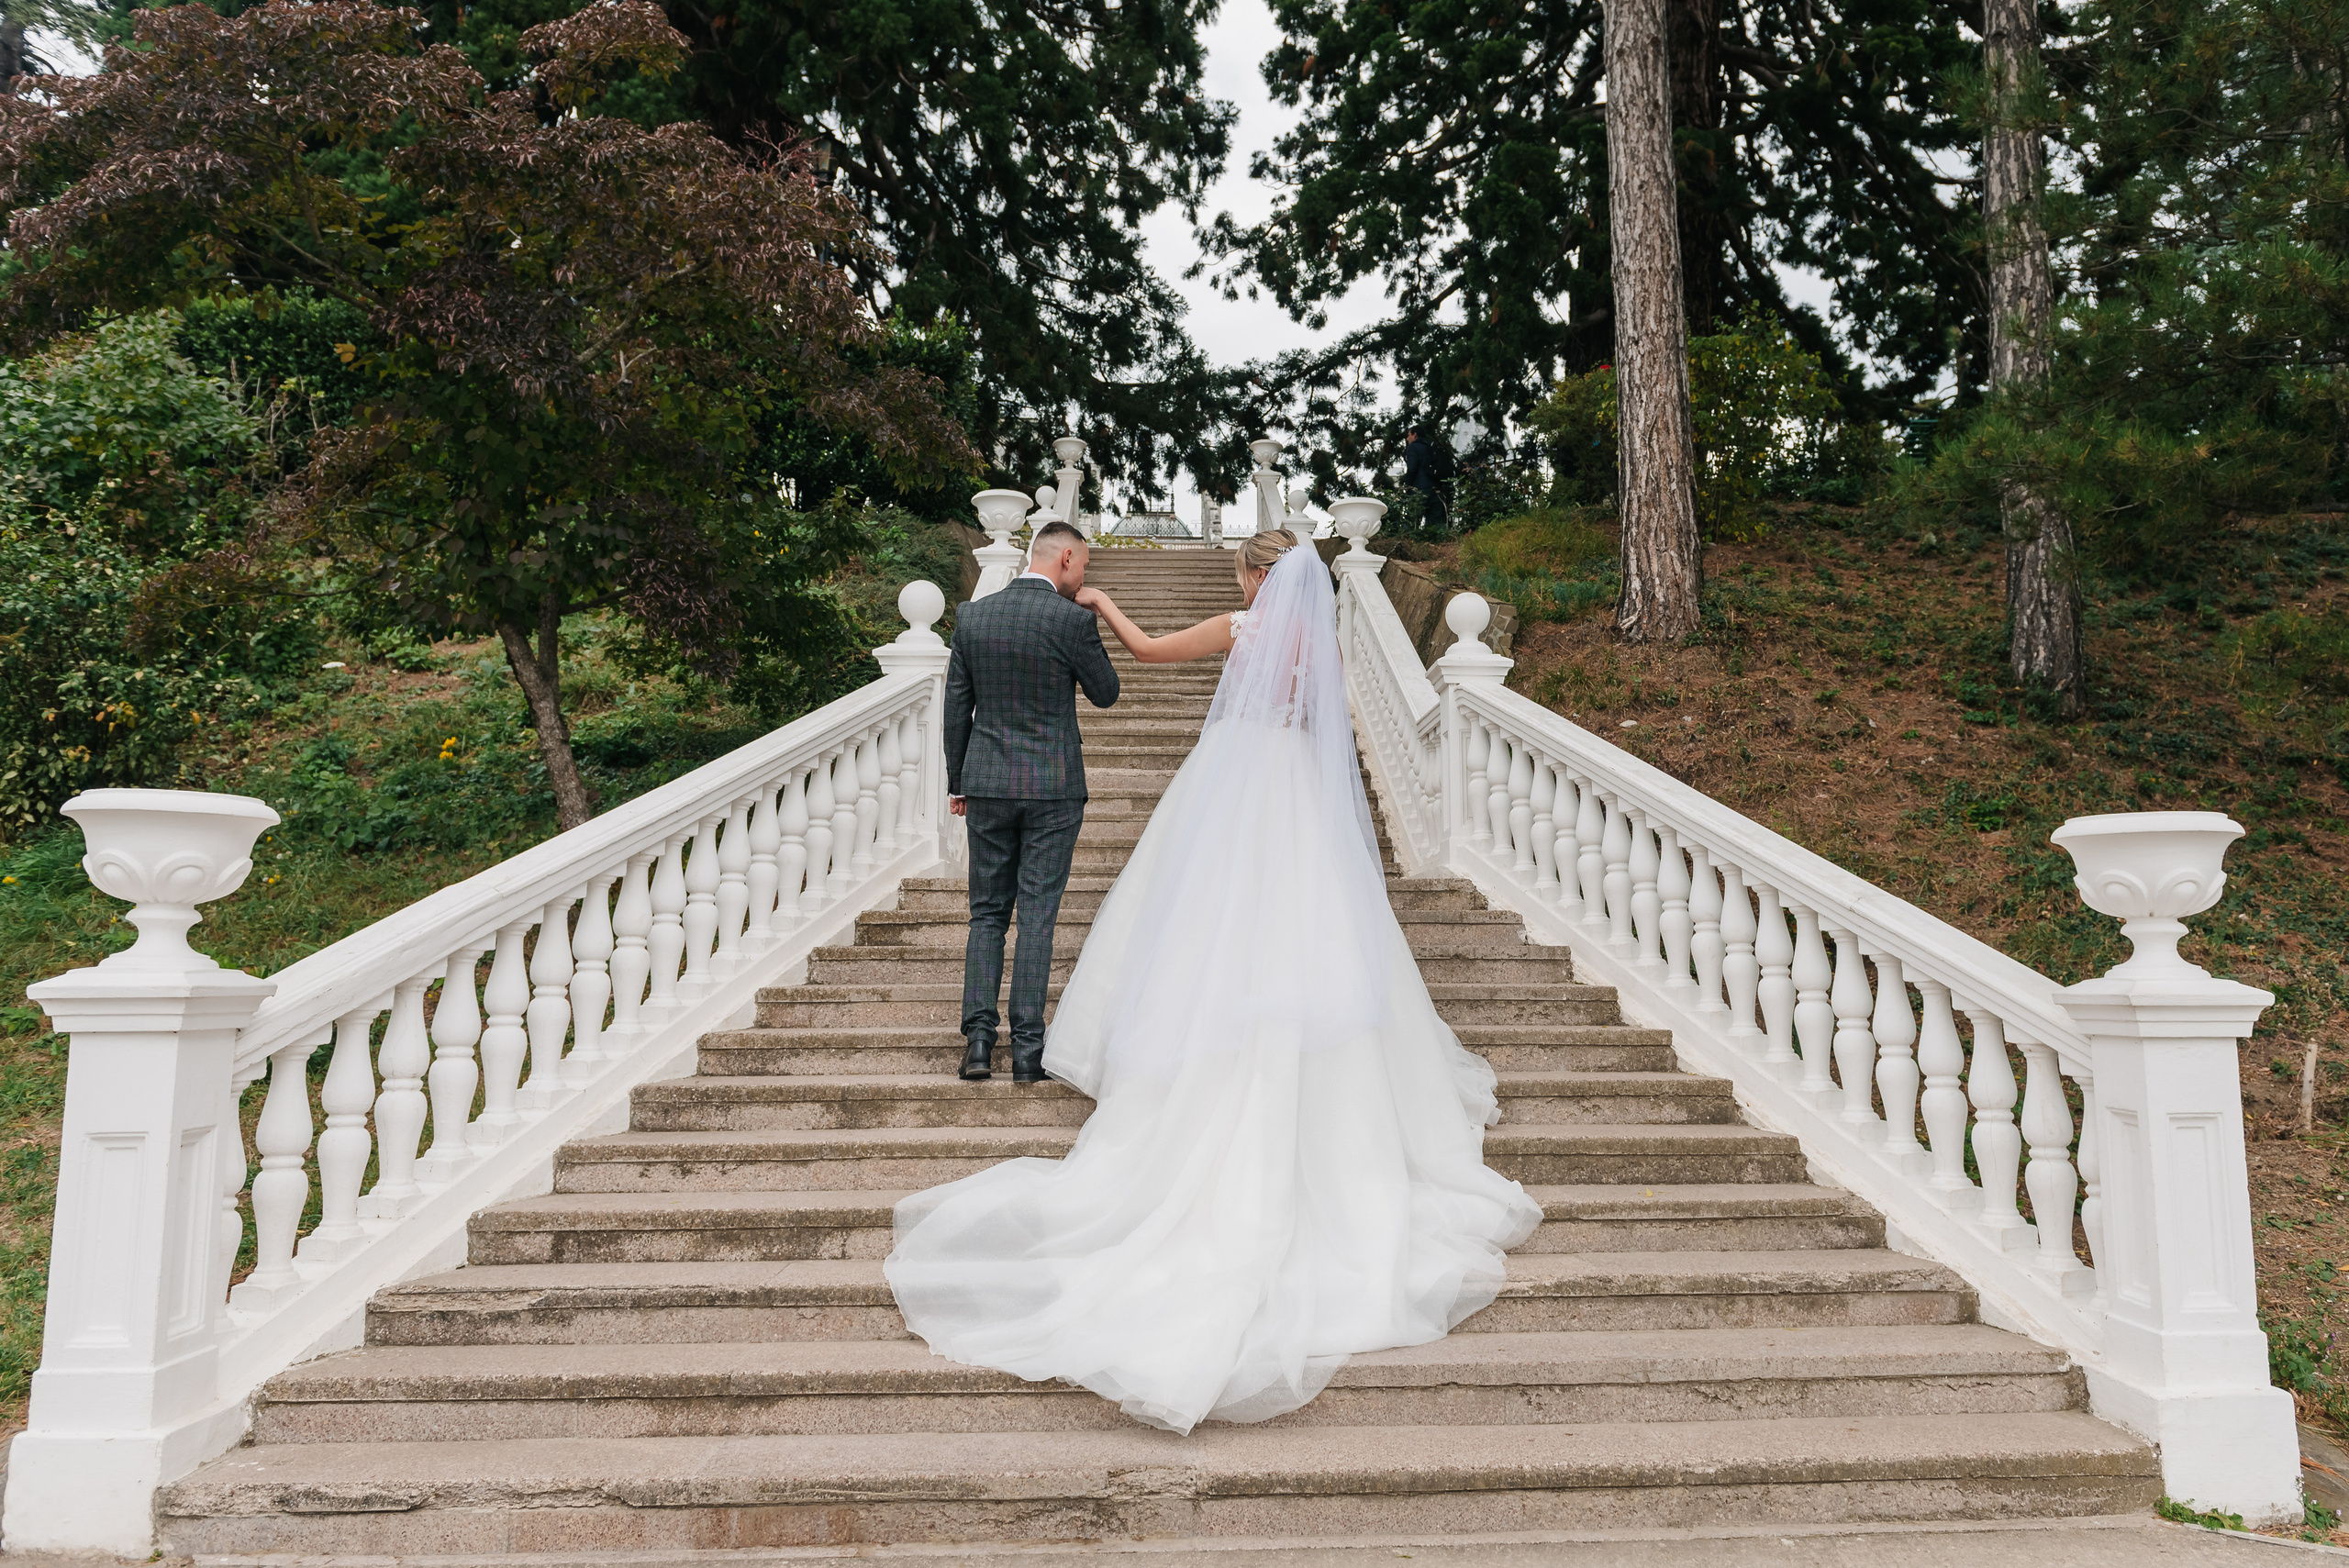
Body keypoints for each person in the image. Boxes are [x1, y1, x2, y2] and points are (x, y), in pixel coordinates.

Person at [886, 530, 1541, 1435]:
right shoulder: (1318, 643)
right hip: (1297, 803)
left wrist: (1103, 604)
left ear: (1252, 576)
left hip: (1231, 790)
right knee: (1310, 939)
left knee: (1204, 924)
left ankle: (1191, 1068)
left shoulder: (1244, 627)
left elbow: (1149, 653)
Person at [941, 518, 1120, 1084]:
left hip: (988, 781)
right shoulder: (1071, 620)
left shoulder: (973, 618)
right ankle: (1026, 1053)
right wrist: (1091, 619)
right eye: (1085, 565)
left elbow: (956, 710)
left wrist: (958, 782)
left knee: (987, 912)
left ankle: (976, 1043)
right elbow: (1106, 694)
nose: (1083, 575)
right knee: (1038, 915)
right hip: (1053, 786)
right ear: (1065, 558)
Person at [1401, 425, 1450, 533]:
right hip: (1437, 489)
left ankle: (1411, 544)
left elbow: (1412, 468)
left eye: (1408, 435)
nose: (1407, 438)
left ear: (1415, 435)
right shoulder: (1431, 448)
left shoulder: (1413, 447)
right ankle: (1435, 545)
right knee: (1434, 524)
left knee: (1413, 520)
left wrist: (1407, 485)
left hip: (1420, 488)